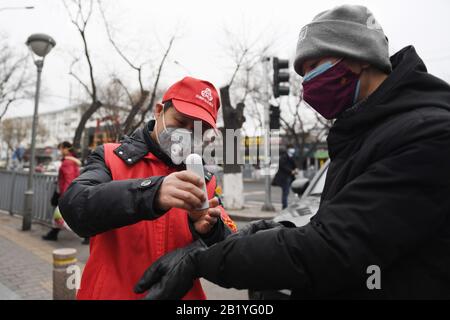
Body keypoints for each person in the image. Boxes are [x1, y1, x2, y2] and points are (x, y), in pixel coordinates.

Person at [134, 5, 450, 300]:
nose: (307, 83)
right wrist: (257, 233)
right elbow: (339, 222)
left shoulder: (428, 133)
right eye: (302, 72)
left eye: (313, 66)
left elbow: (332, 247)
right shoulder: (364, 134)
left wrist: (199, 261)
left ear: (357, 56)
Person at [59, 77, 237, 300]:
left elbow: (231, 250)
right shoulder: (111, 157)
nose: (187, 135)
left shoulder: (206, 180)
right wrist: (152, 193)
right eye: (181, 122)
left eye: (199, 130)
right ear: (159, 111)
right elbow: (75, 207)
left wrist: (208, 231)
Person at [42, 141, 82, 242]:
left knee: (64, 214)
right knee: (63, 214)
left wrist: (65, 195)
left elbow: (68, 179)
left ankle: (87, 235)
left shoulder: (67, 162)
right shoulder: (72, 160)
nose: (60, 151)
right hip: (72, 191)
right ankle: (53, 233)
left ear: (65, 149)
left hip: (67, 192)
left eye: (60, 149)